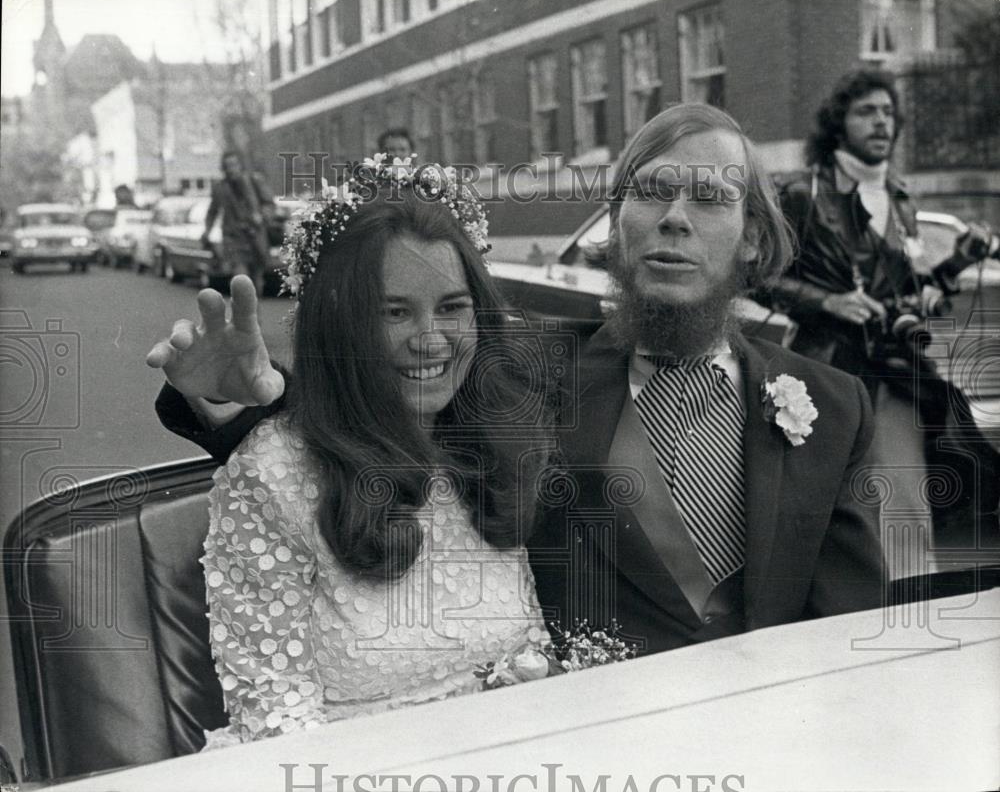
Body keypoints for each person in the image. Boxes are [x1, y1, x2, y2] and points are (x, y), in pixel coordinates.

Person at [149, 105, 884, 667]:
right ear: (616, 223)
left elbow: (852, 636)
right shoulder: (517, 376)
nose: (675, 219)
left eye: (710, 199)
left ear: (754, 236)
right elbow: (366, 413)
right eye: (652, 193)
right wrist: (252, 394)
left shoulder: (837, 408)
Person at [150, 161, 550, 744]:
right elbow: (276, 717)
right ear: (342, 324)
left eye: (452, 307)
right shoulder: (272, 474)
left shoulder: (491, 442)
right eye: (394, 312)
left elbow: (528, 650)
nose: (432, 339)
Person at [764, 69, 997, 579]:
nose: (881, 122)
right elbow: (757, 277)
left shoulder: (900, 197)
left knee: (905, 503)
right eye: (866, 111)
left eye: (888, 112)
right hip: (822, 371)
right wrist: (829, 303)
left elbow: (909, 294)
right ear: (838, 123)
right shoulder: (801, 193)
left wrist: (957, 263)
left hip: (892, 373)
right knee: (822, 509)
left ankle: (907, 614)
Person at [204, 150, 275, 297]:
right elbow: (212, 211)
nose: (231, 169)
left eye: (234, 164)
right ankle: (246, 317)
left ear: (241, 165)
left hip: (255, 238)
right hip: (234, 240)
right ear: (223, 168)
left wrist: (262, 216)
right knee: (241, 281)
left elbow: (269, 203)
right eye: (227, 166)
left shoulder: (254, 181)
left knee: (256, 283)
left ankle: (253, 318)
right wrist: (207, 230)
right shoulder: (220, 187)